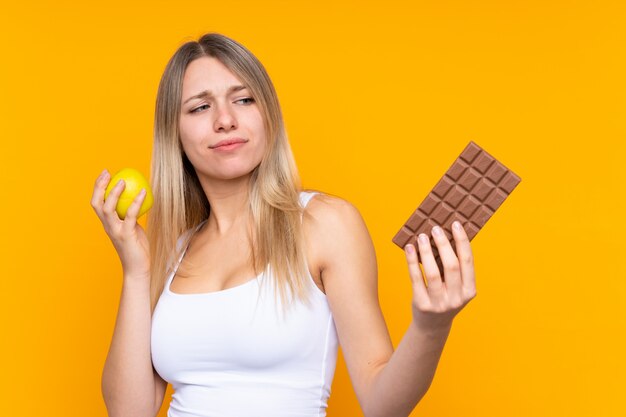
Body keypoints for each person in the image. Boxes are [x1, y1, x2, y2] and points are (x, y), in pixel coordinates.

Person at [91, 33, 477, 417]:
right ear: (173, 132)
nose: (225, 120)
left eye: (244, 100)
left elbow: (382, 404)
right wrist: (136, 272)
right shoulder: (175, 251)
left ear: (268, 116)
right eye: (199, 107)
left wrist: (431, 326)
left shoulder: (324, 224)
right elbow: (128, 412)